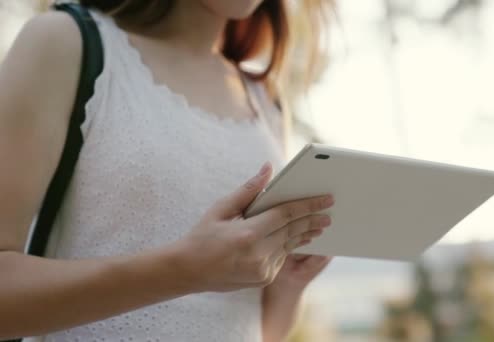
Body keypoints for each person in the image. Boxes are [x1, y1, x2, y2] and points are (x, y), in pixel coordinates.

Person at [0, 0, 333, 340]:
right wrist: (185, 271)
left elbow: (250, 330)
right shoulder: (66, 42)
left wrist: (287, 287)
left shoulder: (265, 101)